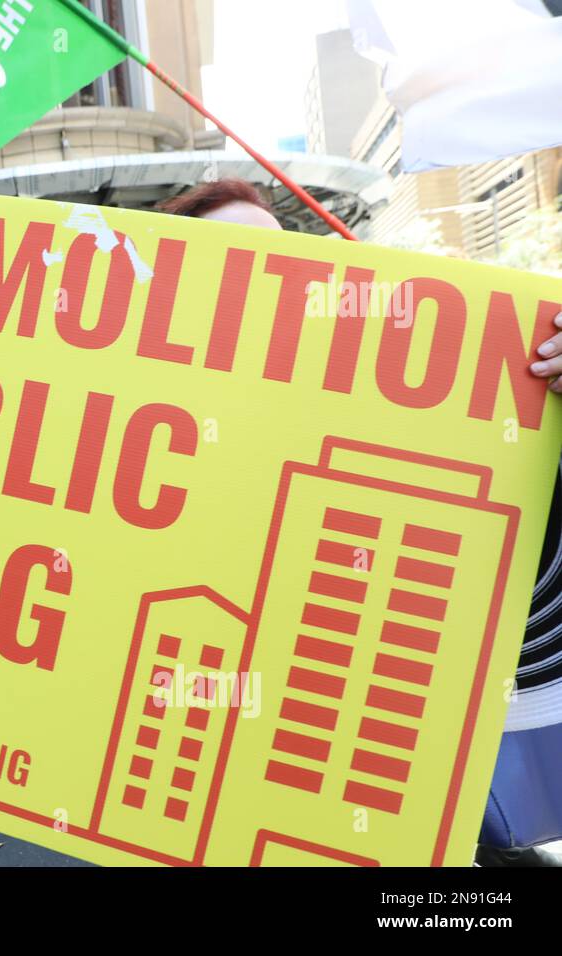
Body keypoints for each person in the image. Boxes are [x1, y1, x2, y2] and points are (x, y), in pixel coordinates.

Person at [165, 177, 562, 867]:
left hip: (464, 784)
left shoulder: (430, 387)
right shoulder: (163, 450)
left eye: (282, 257)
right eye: (231, 264)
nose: (269, 281)